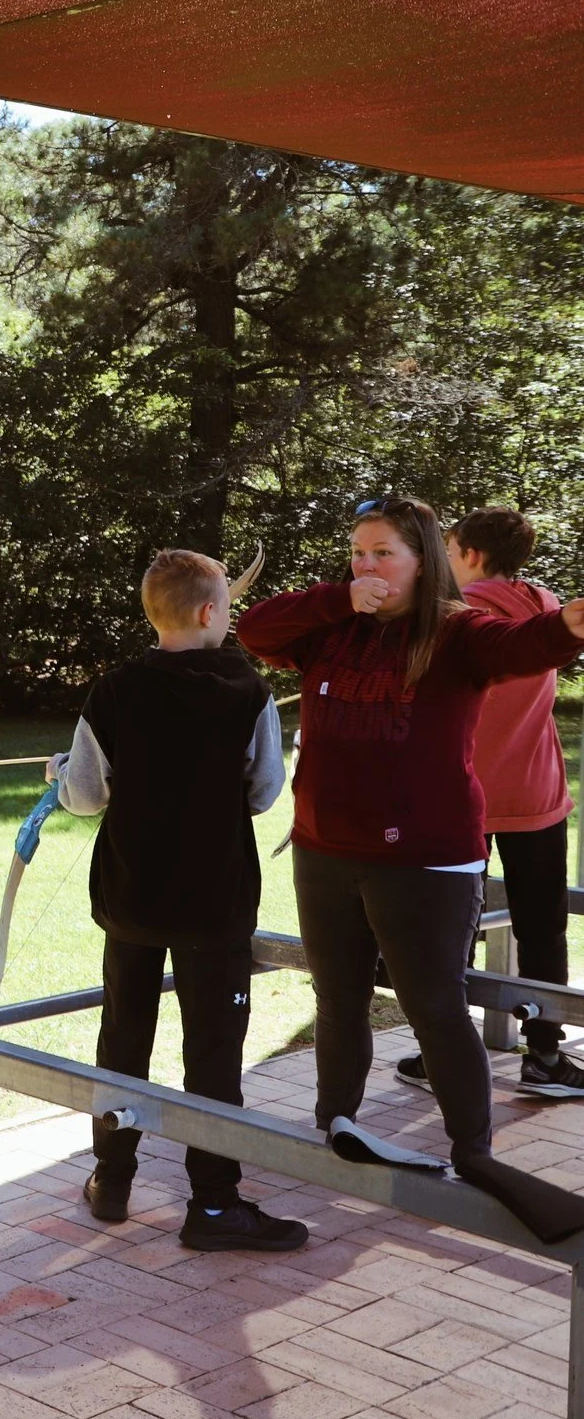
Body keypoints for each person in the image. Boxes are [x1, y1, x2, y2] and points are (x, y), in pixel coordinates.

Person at [237, 496, 584, 1241]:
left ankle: (475, 1152)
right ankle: (338, 1122)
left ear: (423, 559)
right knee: (337, 999)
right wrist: (338, 597)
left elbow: (522, 648)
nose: (366, 567)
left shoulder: (458, 633)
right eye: (357, 553)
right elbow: (254, 628)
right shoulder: (332, 628)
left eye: (382, 553)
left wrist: (568, 627)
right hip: (327, 850)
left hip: (426, 859)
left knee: (434, 1007)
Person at [50, 548, 306, 1250]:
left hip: (132, 898)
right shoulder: (246, 690)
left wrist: (58, 771)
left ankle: (112, 1180)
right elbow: (262, 792)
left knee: (123, 1039)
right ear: (207, 612)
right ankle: (215, 1204)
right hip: (214, 904)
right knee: (214, 1052)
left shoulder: (113, 689)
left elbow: (84, 795)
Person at [397, 507, 584, 1100]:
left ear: (471, 555)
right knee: (543, 927)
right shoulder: (548, 607)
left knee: (452, 931)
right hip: (537, 795)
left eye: (450, 553)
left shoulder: (456, 618)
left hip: (463, 797)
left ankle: (444, 1057)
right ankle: (546, 1055)